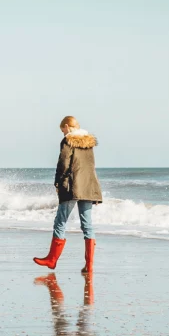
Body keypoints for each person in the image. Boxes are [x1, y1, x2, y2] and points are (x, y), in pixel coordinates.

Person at [33, 116, 102, 273]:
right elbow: (90, 166)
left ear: (67, 126)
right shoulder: (88, 143)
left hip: (72, 186)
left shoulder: (68, 141)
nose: (62, 133)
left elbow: (63, 164)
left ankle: (52, 259)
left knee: (60, 221)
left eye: (62, 129)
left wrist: (58, 183)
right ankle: (89, 266)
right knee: (87, 224)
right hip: (89, 186)